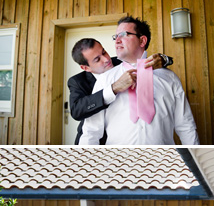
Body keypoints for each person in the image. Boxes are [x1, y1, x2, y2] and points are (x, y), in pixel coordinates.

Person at [79, 16, 199, 145]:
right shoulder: (105, 80)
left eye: (123, 34)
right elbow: (91, 131)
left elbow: (186, 126)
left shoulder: (169, 78)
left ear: (142, 41)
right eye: (115, 37)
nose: (117, 41)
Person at [68, 38, 172, 144]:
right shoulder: (77, 81)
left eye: (104, 52)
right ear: (86, 68)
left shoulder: (122, 61)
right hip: (93, 140)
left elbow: (152, 60)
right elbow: (77, 110)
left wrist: (164, 59)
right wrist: (114, 88)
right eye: (97, 60)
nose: (106, 59)